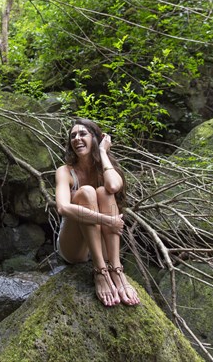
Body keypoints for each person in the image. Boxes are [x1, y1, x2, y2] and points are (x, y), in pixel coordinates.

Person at [55, 118, 140, 307]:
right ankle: (100, 271)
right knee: (86, 192)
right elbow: (62, 208)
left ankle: (116, 270)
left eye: (83, 133)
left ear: (96, 138)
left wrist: (103, 152)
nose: (77, 138)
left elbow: (114, 185)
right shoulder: (65, 171)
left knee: (104, 191)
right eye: (73, 135)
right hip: (74, 247)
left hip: (100, 241)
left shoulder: (104, 167)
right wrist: (108, 220)